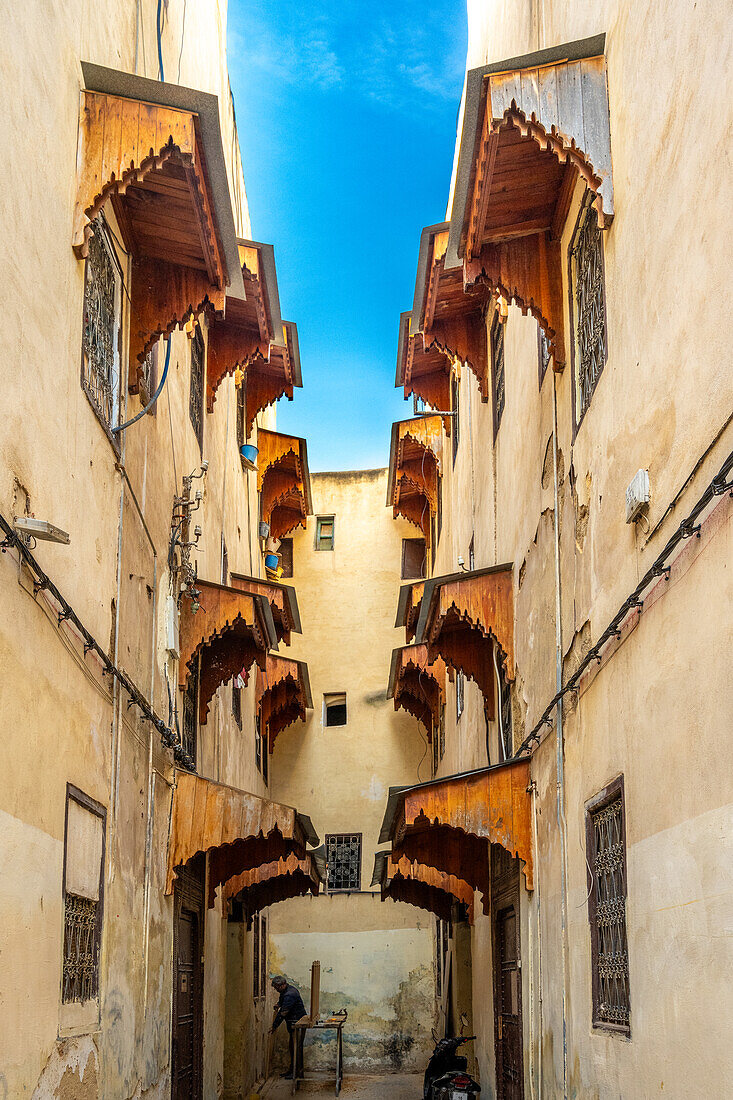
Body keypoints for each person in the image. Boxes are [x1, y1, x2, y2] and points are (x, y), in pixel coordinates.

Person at [270, 975, 307, 1079]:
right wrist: (278, 1004)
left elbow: (283, 1013)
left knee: (296, 1048)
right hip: (294, 1023)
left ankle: (297, 1073)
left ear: (282, 985)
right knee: (293, 1047)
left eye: (277, 988)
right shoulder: (286, 990)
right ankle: (293, 1070)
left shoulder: (290, 994)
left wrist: (274, 1026)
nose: (276, 990)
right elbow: (282, 1000)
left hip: (298, 1024)